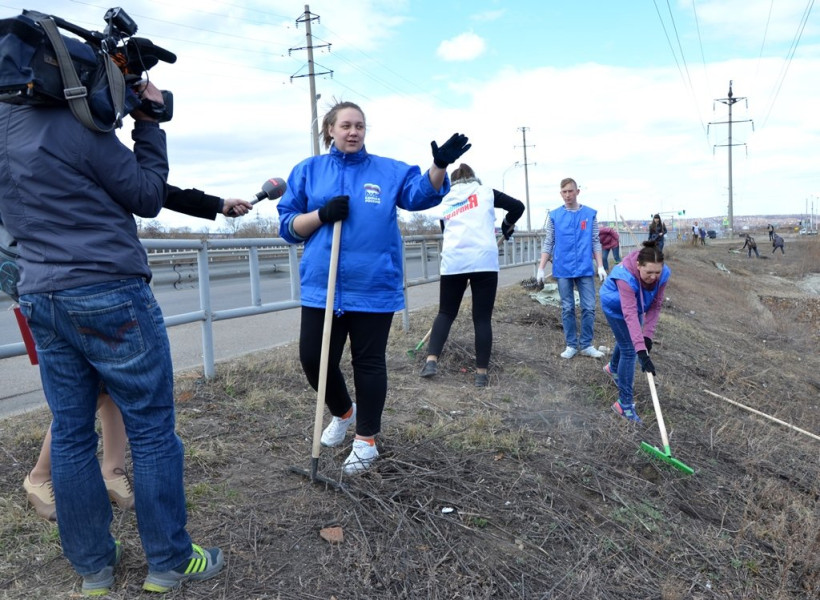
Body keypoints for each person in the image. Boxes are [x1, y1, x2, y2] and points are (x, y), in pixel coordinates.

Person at [0, 81, 223, 595]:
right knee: (151, 428)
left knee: (71, 431)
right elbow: (146, 195)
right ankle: (170, 561)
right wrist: (149, 124)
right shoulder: (77, 125)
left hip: (40, 294)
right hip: (106, 286)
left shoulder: (6, 127)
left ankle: (93, 569)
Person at [22, 187, 253, 522]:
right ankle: (39, 476)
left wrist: (216, 204)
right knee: (83, 395)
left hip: (97, 273)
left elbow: (140, 185)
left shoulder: (84, 157)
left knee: (113, 385)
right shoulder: (37, 159)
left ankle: (112, 470)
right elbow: (139, 185)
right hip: (53, 278)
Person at [277, 100, 470, 475]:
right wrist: (321, 215)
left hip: (373, 286)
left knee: (368, 363)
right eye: (346, 125)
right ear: (330, 129)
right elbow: (288, 226)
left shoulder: (388, 170)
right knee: (314, 360)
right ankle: (343, 412)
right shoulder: (308, 171)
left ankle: (366, 441)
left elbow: (420, 195)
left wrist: (438, 166)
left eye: (360, 126)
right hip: (323, 286)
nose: (353, 132)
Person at [418, 163, 525, 387]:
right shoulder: (486, 192)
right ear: (473, 178)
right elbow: (518, 206)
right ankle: (481, 374)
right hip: (484, 260)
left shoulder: (445, 197)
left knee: (446, 313)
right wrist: (507, 224)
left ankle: (431, 361)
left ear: (453, 180)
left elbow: (445, 230)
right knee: (482, 318)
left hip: (454, 261)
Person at [600, 241, 671, 424]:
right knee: (630, 349)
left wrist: (647, 337)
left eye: (657, 272)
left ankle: (612, 368)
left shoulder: (663, 274)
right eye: (649, 272)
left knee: (628, 340)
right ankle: (624, 405)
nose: (654, 277)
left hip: (637, 303)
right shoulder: (624, 276)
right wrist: (641, 350)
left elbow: (655, 306)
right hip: (614, 305)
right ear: (638, 266)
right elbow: (629, 314)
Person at [536, 178, 607, 359]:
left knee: (589, 307)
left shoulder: (589, 214)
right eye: (564, 192)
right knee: (567, 307)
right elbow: (549, 242)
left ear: (577, 192)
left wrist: (600, 266)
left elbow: (595, 241)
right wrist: (541, 268)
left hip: (585, 267)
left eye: (570, 191)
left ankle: (586, 344)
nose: (567, 195)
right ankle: (571, 345)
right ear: (561, 193)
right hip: (563, 267)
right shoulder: (554, 216)